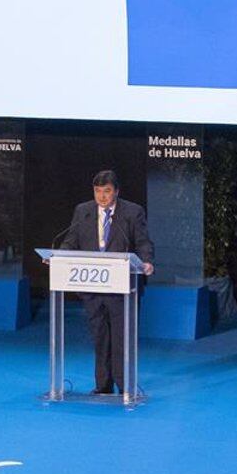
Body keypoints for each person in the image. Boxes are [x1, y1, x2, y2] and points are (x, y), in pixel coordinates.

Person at [56, 170, 154, 396]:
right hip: (93, 289)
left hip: (123, 289)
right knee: (100, 338)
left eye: (107, 191)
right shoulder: (83, 211)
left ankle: (125, 386)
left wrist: (146, 262)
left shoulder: (132, 212)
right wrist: (58, 257)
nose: (101, 196)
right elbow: (71, 241)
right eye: (98, 191)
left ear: (116, 192)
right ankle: (103, 386)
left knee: (121, 340)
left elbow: (143, 243)